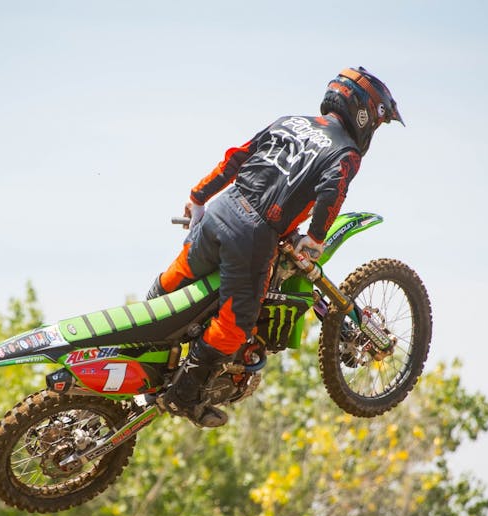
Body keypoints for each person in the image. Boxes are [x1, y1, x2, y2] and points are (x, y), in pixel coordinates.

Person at [149, 66, 403, 428]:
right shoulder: (346, 152)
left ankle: (138, 354)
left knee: (173, 282)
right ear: (365, 114)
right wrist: (315, 240)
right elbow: (332, 193)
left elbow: (237, 157)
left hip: (221, 209)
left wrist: (199, 196)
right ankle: (184, 397)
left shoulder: (290, 122)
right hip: (251, 234)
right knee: (235, 325)